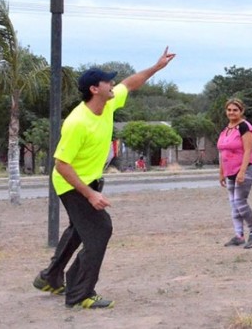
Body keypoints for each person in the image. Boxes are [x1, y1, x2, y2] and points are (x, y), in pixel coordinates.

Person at [32, 48, 175, 309]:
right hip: (71, 183)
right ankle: (79, 293)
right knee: (100, 229)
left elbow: (129, 84)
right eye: (107, 81)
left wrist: (156, 67)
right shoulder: (77, 122)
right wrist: (90, 194)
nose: (113, 84)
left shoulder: (108, 103)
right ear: (94, 89)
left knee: (79, 230)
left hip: (91, 179)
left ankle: (50, 277)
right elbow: (61, 164)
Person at [218, 98, 252, 248]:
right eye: (229, 110)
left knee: (240, 201)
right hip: (230, 170)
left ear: (241, 111)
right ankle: (239, 235)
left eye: (235, 110)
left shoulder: (244, 127)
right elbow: (222, 152)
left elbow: (248, 150)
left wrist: (242, 171)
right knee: (233, 203)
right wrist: (221, 172)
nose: (232, 113)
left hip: (245, 168)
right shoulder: (226, 129)